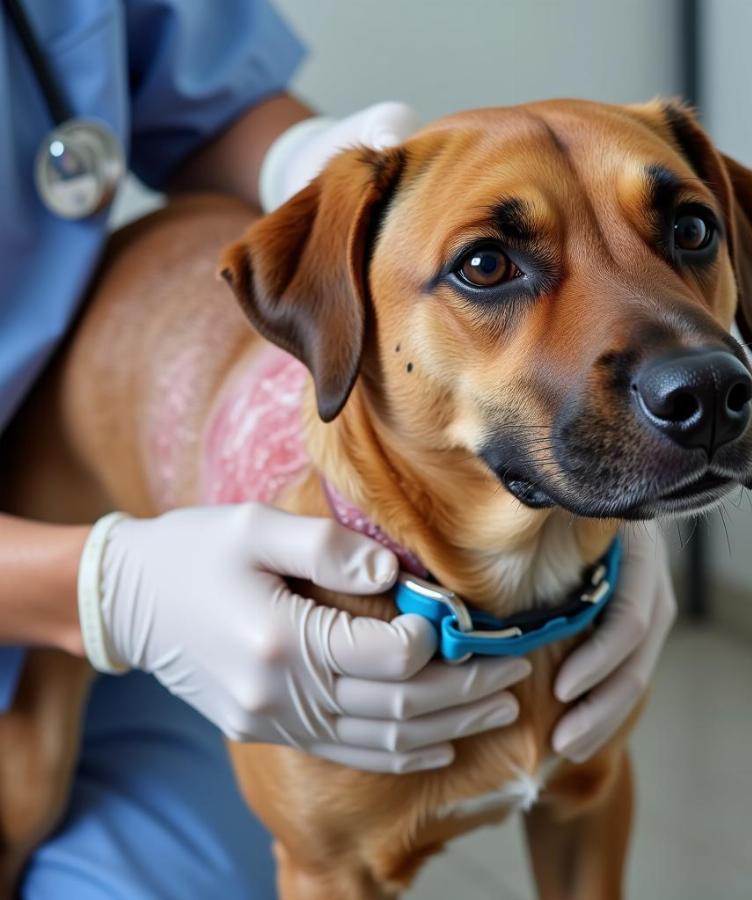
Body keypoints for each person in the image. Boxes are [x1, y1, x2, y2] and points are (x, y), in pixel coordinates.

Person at [0, 1, 676, 897]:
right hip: (48, 545)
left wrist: (312, 162)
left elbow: (199, 96)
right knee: (23, 795)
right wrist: (103, 589)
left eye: (687, 232)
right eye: (486, 263)